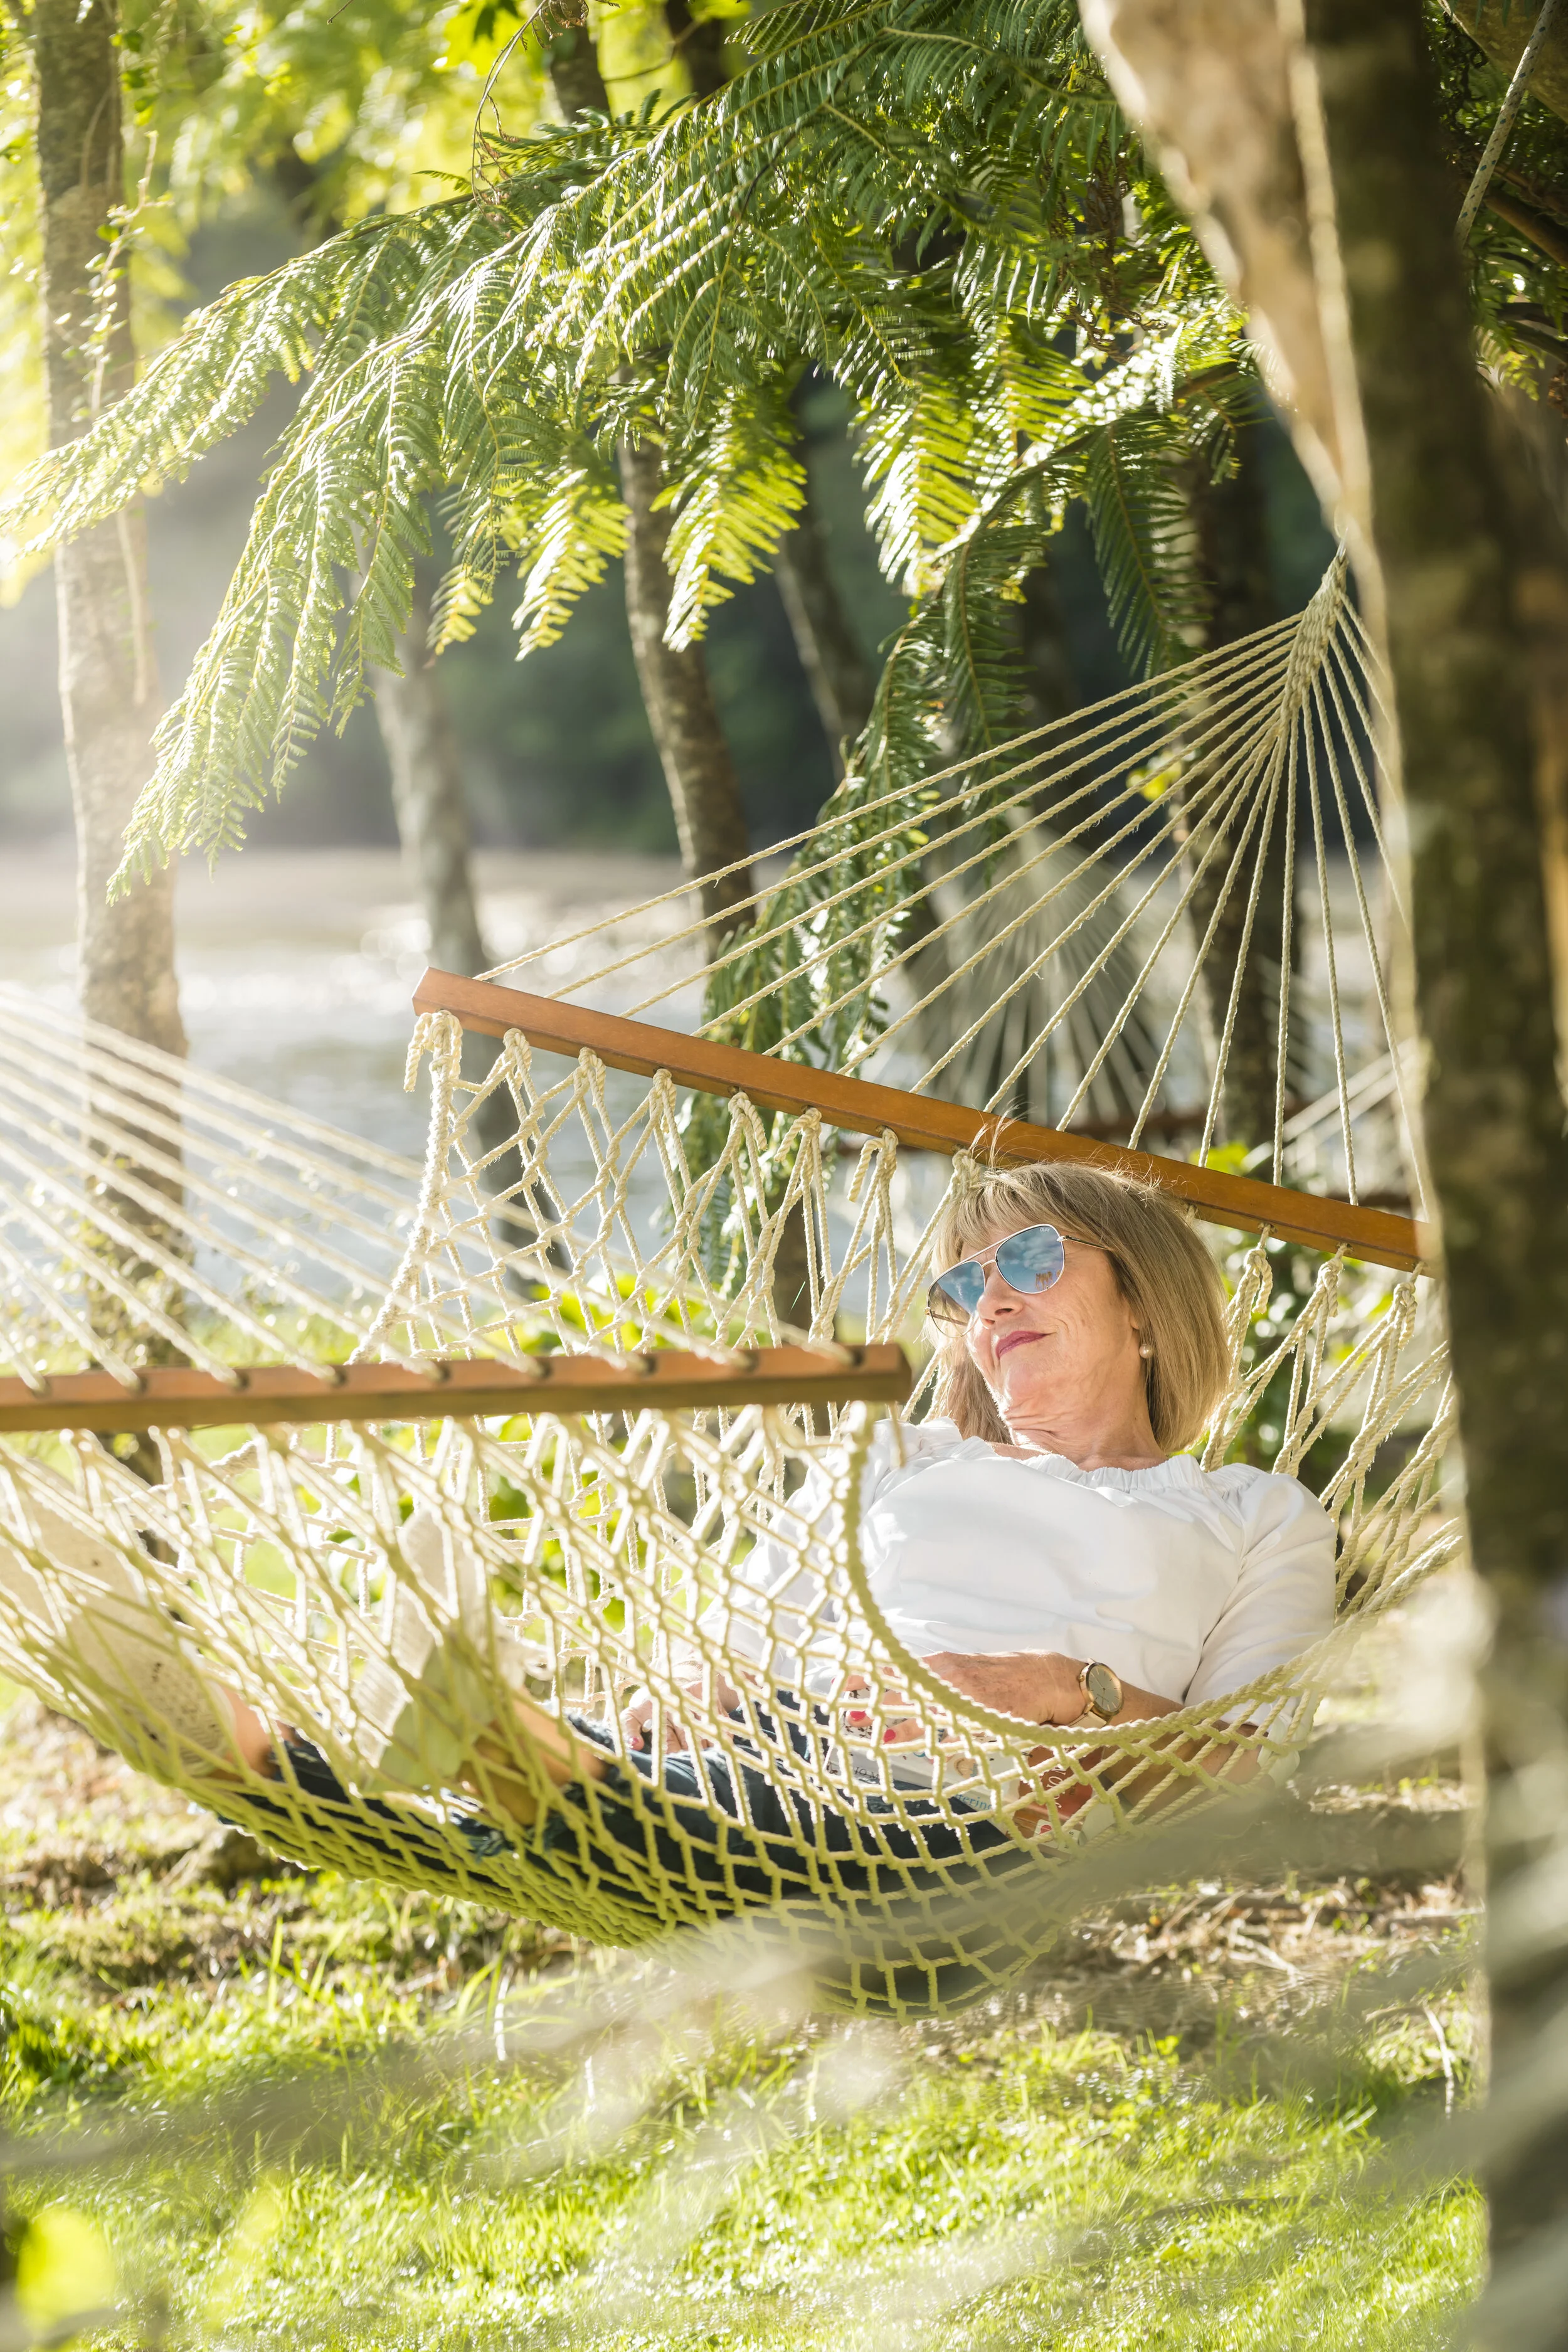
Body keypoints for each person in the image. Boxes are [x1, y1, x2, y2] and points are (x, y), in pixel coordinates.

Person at [5, 1162, 1335, 1972]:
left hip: (979, 1834)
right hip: (783, 1759)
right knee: (569, 1803)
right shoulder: (900, 1462)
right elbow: (732, 1647)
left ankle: (440, 1732)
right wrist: (696, 1684)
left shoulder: (1252, 1515)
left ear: (1145, 1306)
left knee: (539, 1817)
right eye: (959, 1283)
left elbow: (1247, 1772)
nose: (986, 1301)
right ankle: (219, 1728)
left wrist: (1068, 1689)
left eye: (1031, 1262)